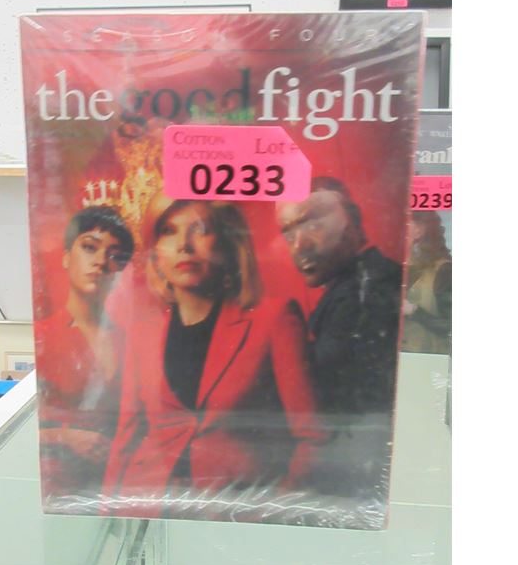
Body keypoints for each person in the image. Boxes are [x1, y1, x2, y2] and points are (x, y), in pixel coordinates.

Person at [103, 194, 325, 520]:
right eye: (169, 231)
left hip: (235, 515)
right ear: (155, 254)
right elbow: (128, 433)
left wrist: (273, 510)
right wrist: (106, 513)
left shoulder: (274, 319)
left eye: (200, 229)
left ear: (225, 244)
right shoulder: (143, 331)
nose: (184, 245)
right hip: (148, 507)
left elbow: (314, 437)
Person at [276, 177, 402, 498]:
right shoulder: (356, 285)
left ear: (353, 223)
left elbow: (332, 400)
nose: (299, 246)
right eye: (288, 233)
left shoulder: (366, 292)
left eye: (313, 225)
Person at [36, 205, 134, 501]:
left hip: (120, 487)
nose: (101, 261)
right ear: (67, 256)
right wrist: (65, 436)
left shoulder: (129, 341)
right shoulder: (42, 336)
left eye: (114, 255)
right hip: (59, 488)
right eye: (90, 247)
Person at [402, 211, 452, 354]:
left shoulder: (443, 271)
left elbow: (451, 327)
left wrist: (414, 311)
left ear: (419, 230)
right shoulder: (392, 269)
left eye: (403, 222)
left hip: (428, 360)